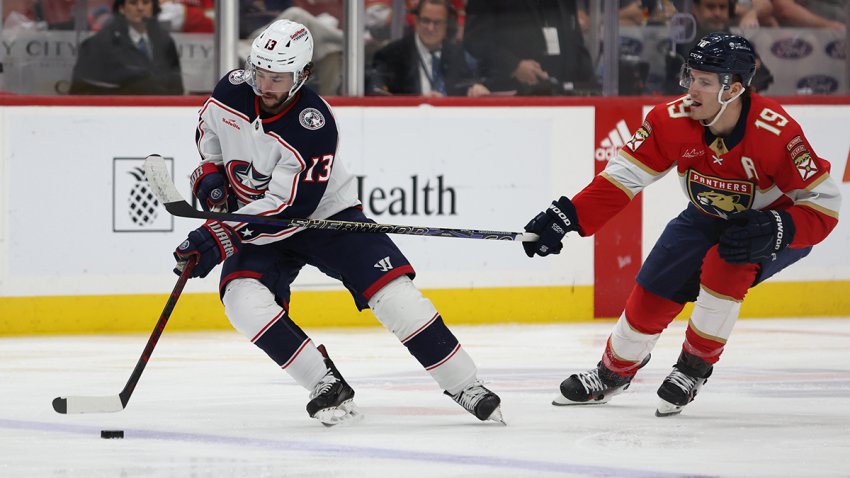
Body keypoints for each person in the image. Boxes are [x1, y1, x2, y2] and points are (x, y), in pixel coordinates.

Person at [171, 19, 504, 426]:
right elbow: (210, 137)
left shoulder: (314, 124)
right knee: (241, 300)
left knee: (396, 296)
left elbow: (288, 207)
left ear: (303, 76)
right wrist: (210, 177)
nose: (265, 85)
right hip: (257, 224)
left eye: (278, 77)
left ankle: (464, 383)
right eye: (259, 73)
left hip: (326, 217)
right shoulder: (231, 90)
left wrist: (217, 235)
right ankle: (323, 381)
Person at [522, 32, 841, 417]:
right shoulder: (669, 120)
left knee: (727, 265)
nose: (692, 89)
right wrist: (567, 216)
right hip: (703, 217)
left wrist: (779, 229)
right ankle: (613, 372)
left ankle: (693, 367)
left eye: (705, 82)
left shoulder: (777, 133)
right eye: (691, 76)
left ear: (734, 89)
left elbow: (825, 205)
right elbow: (621, 177)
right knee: (656, 283)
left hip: (771, 227)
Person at [463, 0, 598, 95]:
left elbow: (574, 38)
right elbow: (475, 38)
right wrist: (514, 66)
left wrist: (590, 84)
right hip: (512, 91)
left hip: (564, 92)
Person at [369, 0, 490, 97]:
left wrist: (475, 89)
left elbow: (467, 85)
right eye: (425, 21)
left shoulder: (456, 53)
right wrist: (418, 103)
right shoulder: (391, 55)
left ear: (446, 25)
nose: (430, 28)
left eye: (437, 22)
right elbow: (377, 93)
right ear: (416, 21)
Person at [69, 0, 183, 95]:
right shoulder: (98, 44)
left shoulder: (165, 42)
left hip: (160, 117)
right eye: (133, 3)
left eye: (146, 2)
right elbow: (82, 93)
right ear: (121, 8)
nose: (140, 8)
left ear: (153, 8)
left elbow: (176, 90)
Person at [664, 0, 773, 94]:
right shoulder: (680, 44)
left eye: (722, 7)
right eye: (710, 7)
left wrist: (744, 91)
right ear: (695, 9)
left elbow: (763, 76)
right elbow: (670, 85)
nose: (717, 13)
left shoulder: (740, 44)